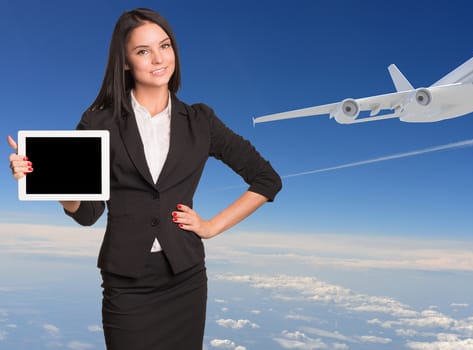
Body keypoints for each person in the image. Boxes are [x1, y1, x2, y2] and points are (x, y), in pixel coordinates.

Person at [7, 8, 281, 350]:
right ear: (124, 62)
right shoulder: (99, 123)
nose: (158, 59)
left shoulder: (201, 120)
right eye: (143, 51)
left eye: (164, 46)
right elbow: (88, 212)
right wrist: (48, 180)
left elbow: (266, 179)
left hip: (185, 278)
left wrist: (212, 227)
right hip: (127, 284)